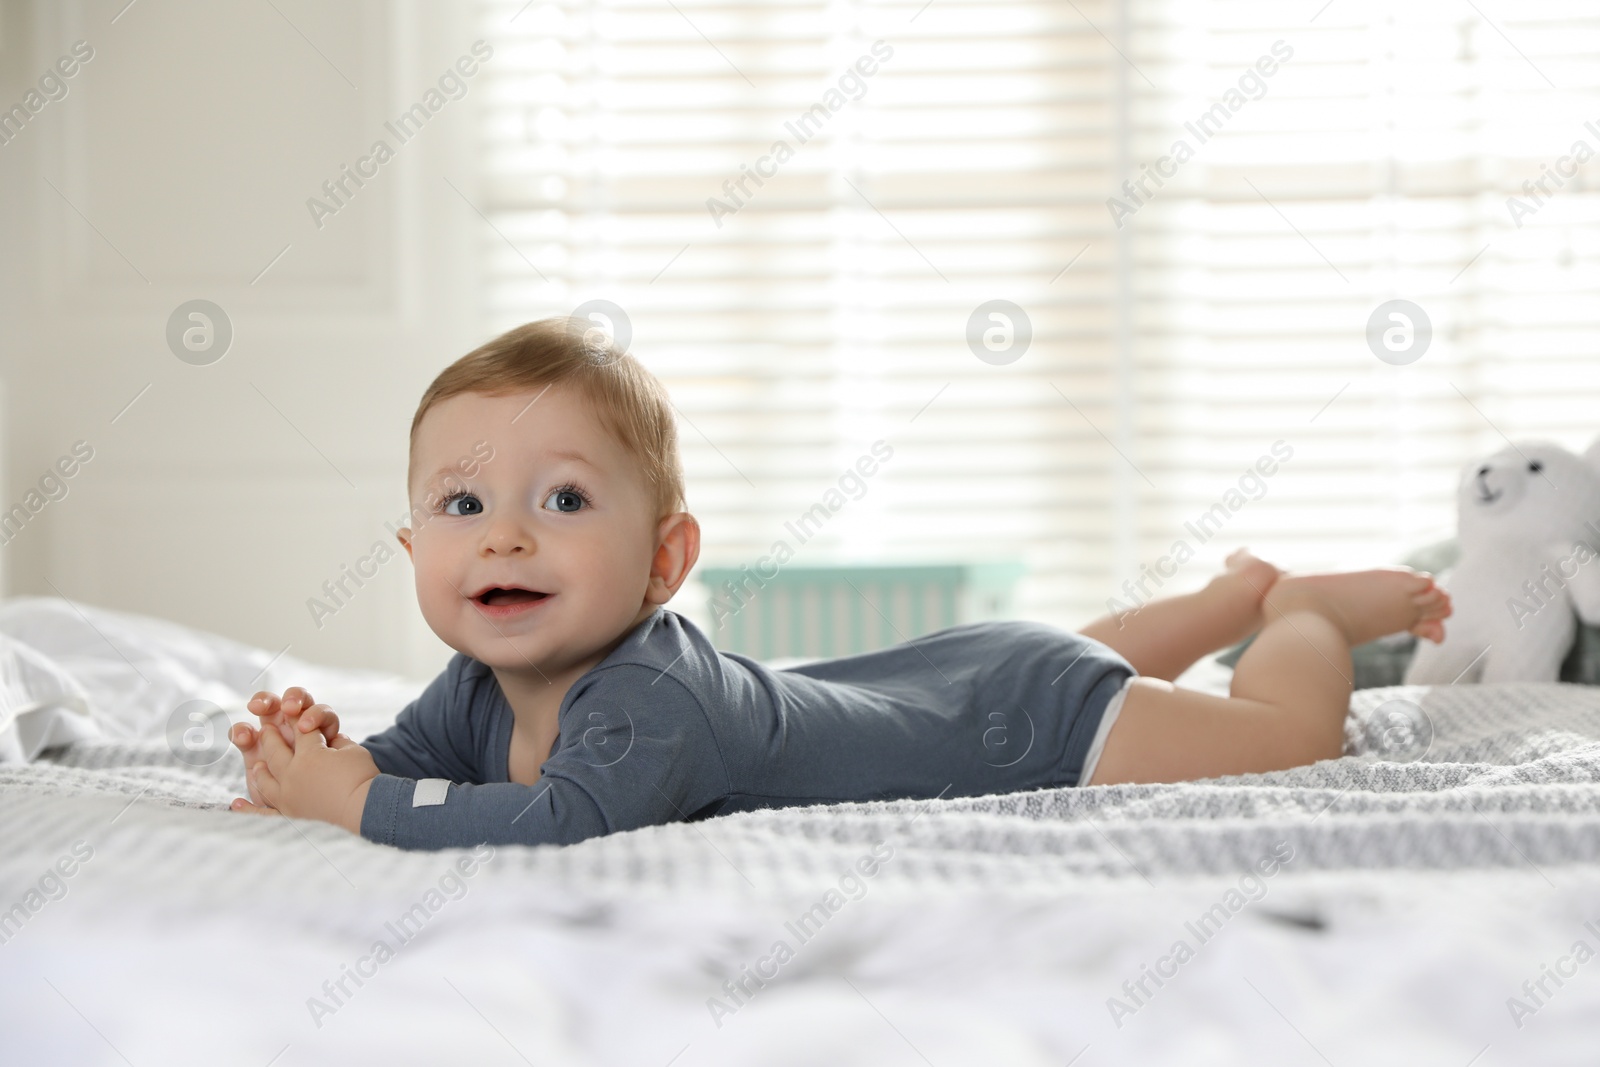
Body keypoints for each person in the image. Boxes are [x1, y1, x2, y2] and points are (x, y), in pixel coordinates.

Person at [228, 318, 1451, 849]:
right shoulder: (484, 681)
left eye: (561, 501)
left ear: (665, 561)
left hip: (1025, 724)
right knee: (1077, 655)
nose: (500, 540)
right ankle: (1224, 592)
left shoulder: (651, 700)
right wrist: (315, 759)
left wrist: (351, 807)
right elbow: (407, 760)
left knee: (1278, 732)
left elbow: (561, 822)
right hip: (972, 667)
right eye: (460, 505)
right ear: (413, 552)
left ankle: (1293, 612)